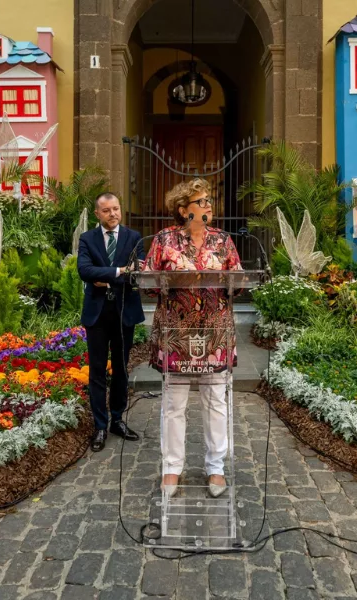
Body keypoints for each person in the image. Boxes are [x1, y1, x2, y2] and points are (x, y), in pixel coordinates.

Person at [144, 178, 241, 498]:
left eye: (210, 201)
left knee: (216, 400)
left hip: (214, 333)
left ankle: (216, 468)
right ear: (183, 209)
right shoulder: (164, 240)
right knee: (174, 403)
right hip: (178, 333)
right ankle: (172, 468)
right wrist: (167, 278)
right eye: (201, 201)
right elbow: (147, 282)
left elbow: (238, 281)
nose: (208, 206)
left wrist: (233, 280)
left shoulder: (224, 241)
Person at [78, 192, 145, 452]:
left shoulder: (134, 238)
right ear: (98, 213)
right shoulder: (87, 239)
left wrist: (104, 276)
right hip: (96, 315)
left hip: (123, 313)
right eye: (107, 210)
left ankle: (117, 419)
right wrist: (118, 271)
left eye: (116, 208)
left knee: (121, 368)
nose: (113, 214)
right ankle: (100, 426)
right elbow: (84, 270)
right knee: (97, 372)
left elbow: (137, 273)